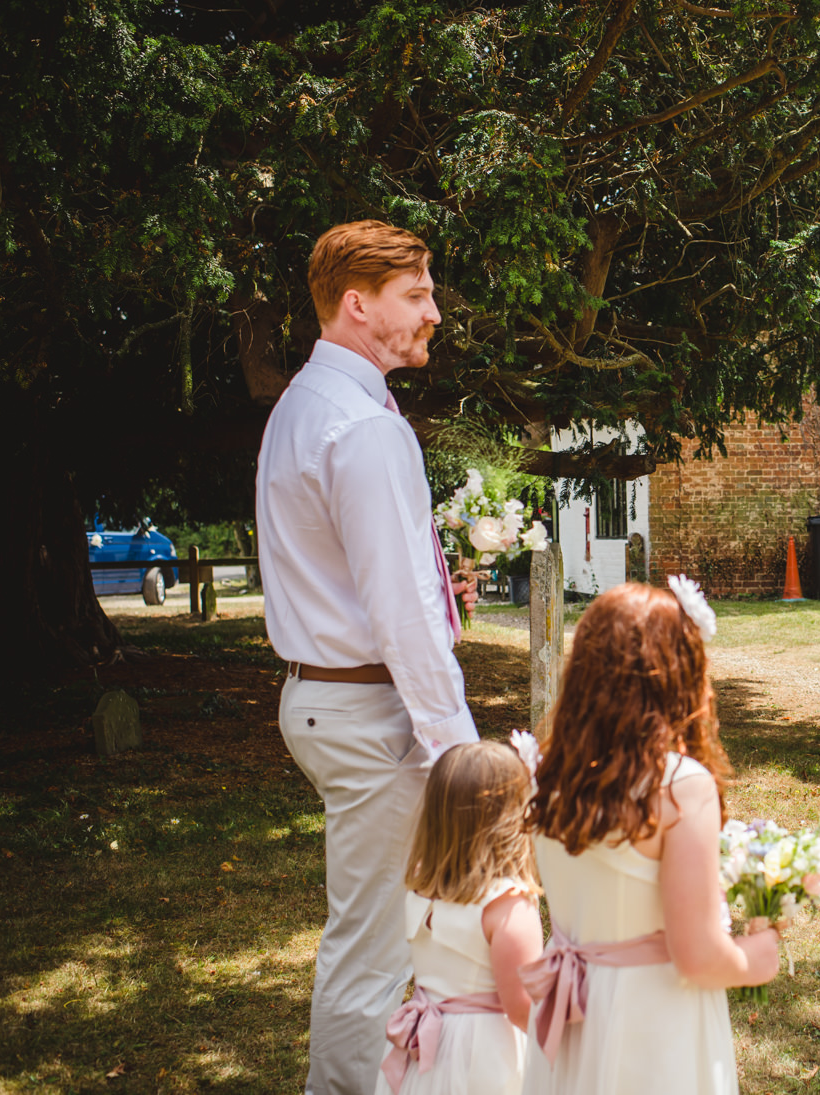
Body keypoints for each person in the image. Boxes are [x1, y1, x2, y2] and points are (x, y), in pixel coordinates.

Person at [257, 220, 480, 1095]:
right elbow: (404, 615)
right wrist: (458, 750)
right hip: (369, 712)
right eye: (417, 295)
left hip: (327, 700)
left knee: (384, 932)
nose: (434, 313)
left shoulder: (304, 406)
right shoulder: (361, 427)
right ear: (358, 304)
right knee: (376, 949)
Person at [521, 581, 780, 1095]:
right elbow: (698, 955)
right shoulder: (680, 786)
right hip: (652, 1019)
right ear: (676, 671)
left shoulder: (548, 775)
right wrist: (760, 953)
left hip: (574, 1014)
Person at [378, 739, 544, 1095]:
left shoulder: (422, 883)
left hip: (425, 1049)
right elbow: (522, 1008)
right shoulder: (507, 905)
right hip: (483, 1056)